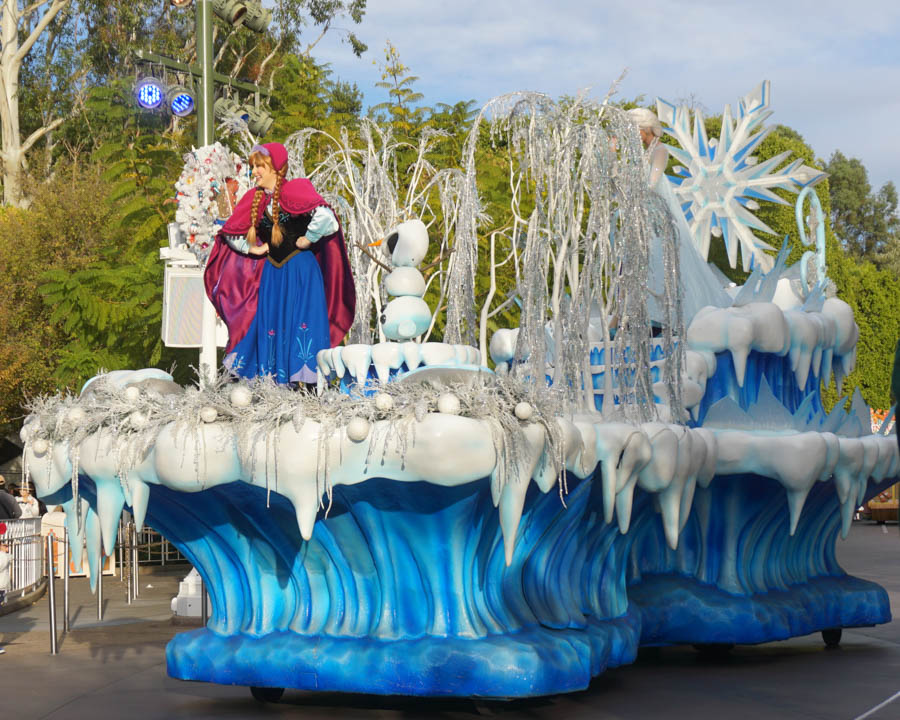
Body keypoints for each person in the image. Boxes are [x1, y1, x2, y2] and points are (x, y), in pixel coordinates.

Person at [204, 142, 356, 384]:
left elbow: (327, 218)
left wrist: (309, 238)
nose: (254, 171)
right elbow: (231, 233)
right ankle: (273, 385)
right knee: (272, 326)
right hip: (273, 276)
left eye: (259, 166)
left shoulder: (295, 190)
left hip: (301, 274)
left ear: (275, 167)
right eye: (253, 166)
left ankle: (304, 387)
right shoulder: (254, 199)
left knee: (300, 326)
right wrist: (252, 249)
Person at [626, 108, 732, 326]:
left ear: (645, 129)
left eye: (635, 130)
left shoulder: (659, 151)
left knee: (660, 259)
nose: (633, 135)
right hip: (646, 214)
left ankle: (665, 315)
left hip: (657, 213)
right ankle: (635, 316)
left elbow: (652, 183)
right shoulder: (644, 154)